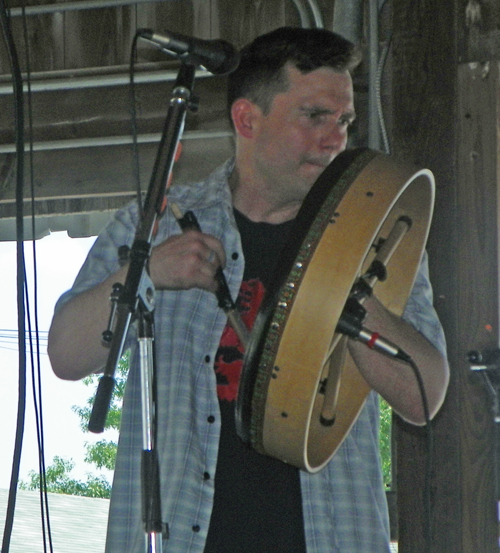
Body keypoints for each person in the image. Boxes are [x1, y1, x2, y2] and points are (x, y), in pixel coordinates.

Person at [48, 27, 449, 553]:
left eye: (344, 121)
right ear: (246, 120)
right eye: (315, 116)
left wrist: (351, 296)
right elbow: (66, 355)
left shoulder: (377, 241)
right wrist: (146, 273)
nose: (335, 138)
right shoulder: (157, 225)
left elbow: (424, 397)